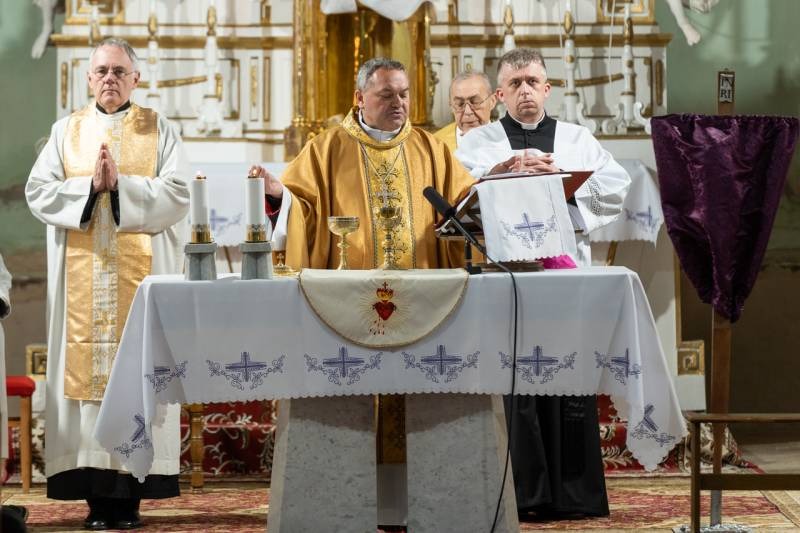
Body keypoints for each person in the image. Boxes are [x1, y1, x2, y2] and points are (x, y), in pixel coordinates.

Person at [456, 48, 630, 520]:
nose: (525, 91)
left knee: (568, 373)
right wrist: (500, 174)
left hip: (564, 274)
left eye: (533, 81)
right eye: (514, 84)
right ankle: (525, 495)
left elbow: (615, 189)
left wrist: (563, 183)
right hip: (509, 275)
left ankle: (575, 494)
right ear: (499, 94)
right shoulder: (479, 144)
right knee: (517, 377)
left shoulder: (577, 138)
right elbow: (460, 197)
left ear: (548, 88)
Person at [26, 38, 189, 531]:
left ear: (137, 78)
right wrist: (89, 188)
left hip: (140, 287)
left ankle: (130, 499)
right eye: (101, 71)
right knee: (86, 392)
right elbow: (38, 191)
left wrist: (123, 188)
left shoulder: (160, 129)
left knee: (136, 377)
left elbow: (179, 192)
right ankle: (96, 500)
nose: (110, 79)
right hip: (81, 288)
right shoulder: (66, 131)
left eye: (119, 70)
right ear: (88, 78)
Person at [254, 57, 476, 271]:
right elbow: (304, 213)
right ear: (360, 98)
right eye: (387, 95)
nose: (398, 103)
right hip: (352, 285)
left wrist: (487, 186)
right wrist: (279, 196)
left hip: (423, 283)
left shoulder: (431, 149)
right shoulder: (324, 149)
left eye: (404, 94)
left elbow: (465, 205)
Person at [433, 71, 497, 151]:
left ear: (492, 101)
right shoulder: (434, 144)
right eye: (460, 104)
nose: (467, 111)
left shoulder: (509, 140)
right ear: (451, 106)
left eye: (475, 102)